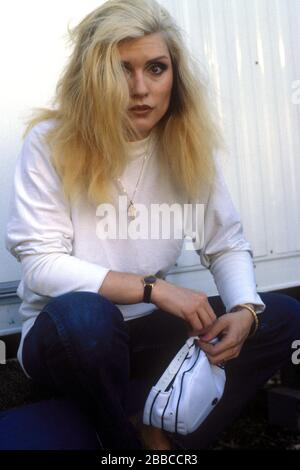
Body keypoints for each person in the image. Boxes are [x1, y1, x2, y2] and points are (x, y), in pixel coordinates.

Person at [5, 0, 300, 450]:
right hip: (67, 335)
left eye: (156, 68)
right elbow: (40, 266)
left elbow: (225, 244)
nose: (140, 88)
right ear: (93, 77)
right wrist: (153, 288)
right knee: (87, 315)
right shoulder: (51, 142)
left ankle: (151, 427)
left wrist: (244, 310)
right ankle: (130, 441)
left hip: (147, 329)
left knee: (282, 316)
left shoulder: (185, 142)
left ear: (174, 77)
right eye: (122, 70)